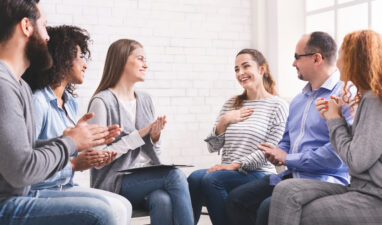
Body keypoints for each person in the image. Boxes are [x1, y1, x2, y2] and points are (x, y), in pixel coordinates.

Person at [0, 1, 121, 224]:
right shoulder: (4, 85)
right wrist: (69, 144)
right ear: (26, 26)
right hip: (6, 203)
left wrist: (67, 139)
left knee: (106, 208)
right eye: (44, 26)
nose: (47, 37)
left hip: (15, 197)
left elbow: (21, 152)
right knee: (99, 213)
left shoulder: (20, 86)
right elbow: (21, 171)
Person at [225, 31, 354, 225]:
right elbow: (286, 139)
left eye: (297, 57)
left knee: (267, 207)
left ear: (316, 58)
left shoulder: (345, 95)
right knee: (236, 199)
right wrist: (277, 152)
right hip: (291, 175)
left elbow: (337, 155)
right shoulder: (298, 101)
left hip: (326, 178)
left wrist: (288, 158)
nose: (293, 63)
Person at [269, 30, 382, 225]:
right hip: (358, 187)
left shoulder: (373, 100)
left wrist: (334, 120)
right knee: (285, 190)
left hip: (373, 194)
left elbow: (356, 161)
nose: (337, 63)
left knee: (307, 214)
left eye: (342, 55)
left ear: (357, 59)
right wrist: (334, 117)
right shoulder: (366, 98)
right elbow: (357, 149)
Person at [22, 25, 132, 225]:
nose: (85, 65)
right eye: (80, 57)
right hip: (40, 190)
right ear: (64, 58)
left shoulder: (70, 103)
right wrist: (74, 164)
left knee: (124, 205)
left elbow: (65, 153)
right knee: (112, 209)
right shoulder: (38, 102)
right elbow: (27, 167)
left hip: (64, 186)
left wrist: (87, 155)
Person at [87, 38, 194, 225]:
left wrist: (154, 137)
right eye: (140, 58)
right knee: (174, 175)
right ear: (121, 60)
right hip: (114, 180)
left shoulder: (145, 100)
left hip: (146, 177)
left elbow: (154, 153)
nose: (146, 64)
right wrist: (139, 135)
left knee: (162, 200)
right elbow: (96, 160)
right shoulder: (102, 102)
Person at [187, 49, 288, 225]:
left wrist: (234, 165)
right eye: (236, 69)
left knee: (212, 179)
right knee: (195, 178)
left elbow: (271, 149)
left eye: (245, 66)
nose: (240, 73)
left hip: (257, 172)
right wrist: (224, 121)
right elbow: (213, 147)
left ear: (261, 69)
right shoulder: (232, 103)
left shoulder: (277, 106)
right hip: (228, 171)